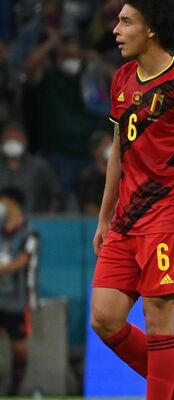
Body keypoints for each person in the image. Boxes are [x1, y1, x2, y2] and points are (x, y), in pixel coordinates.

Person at [89, 1, 174, 399]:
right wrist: (104, 217)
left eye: (126, 21)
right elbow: (118, 153)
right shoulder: (122, 78)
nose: (116, 29)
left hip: (168, 219)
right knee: (104, 318)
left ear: (152, 30)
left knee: (159, 320)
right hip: (126, 222)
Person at [25, 27, 104, 207]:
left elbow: (118, 83)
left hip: (87, 154)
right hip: (58, 155)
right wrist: (51, 44)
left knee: (91, 204)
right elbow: (29, 67)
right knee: (61, 203)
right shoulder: (50, 76)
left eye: (74, 53)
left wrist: (93, 58)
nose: (71, 56)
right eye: (66, 53)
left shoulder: (89, 78)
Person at [0, 187, 40, 396]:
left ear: (12, 203)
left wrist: (4, 268)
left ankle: (14, 390)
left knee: (19, 346)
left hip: (18, 301)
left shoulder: (30, 233)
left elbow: (22, 260)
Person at [0, 123, 61, 213]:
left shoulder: (39, 166)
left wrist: (50, 217)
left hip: (34, 220)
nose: (12, 143)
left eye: (16, 139)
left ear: (25, 141)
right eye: (8, 139)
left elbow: (55, 194)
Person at [77, 130, 113, 215]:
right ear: (95, 150)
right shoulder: (87, 177)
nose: (110, 148)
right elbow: (89, 208)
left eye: (112, 144)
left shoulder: (121, 175)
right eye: (106, 144)